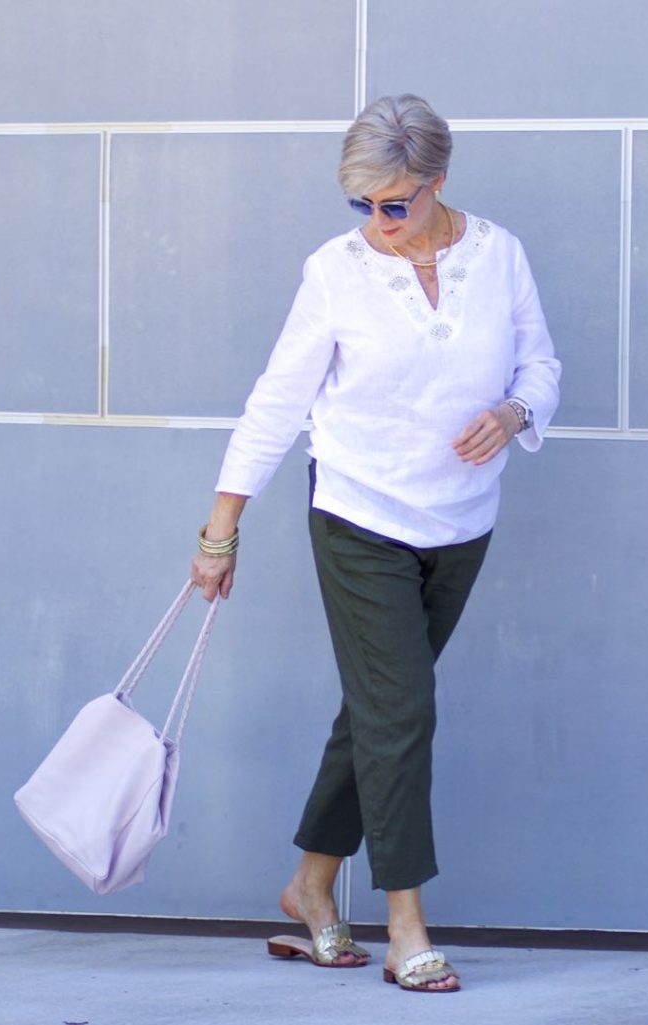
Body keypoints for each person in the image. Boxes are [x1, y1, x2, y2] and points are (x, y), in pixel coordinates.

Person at [191, 94, 560, 994]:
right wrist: (219, 530)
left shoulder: (498, 253)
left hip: (462, 521)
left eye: (394, 203)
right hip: (359, 516)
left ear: (437, 183)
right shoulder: (335, 272)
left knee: (375, 713)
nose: (377, 223)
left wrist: (514, 414)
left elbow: (539, 365)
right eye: (362, 205)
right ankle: (405, 925)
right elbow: (276, 403)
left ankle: (309, 886)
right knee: (401, 713)